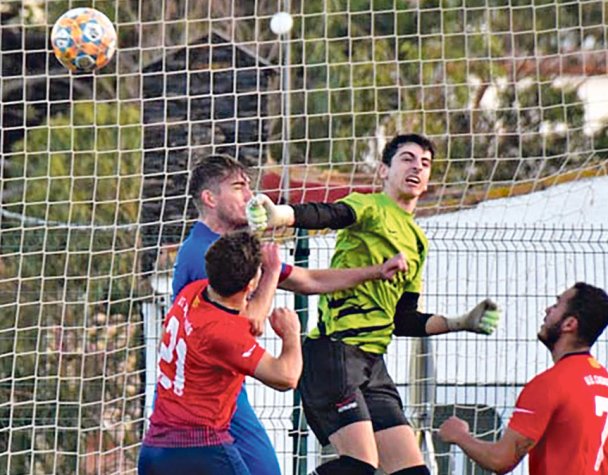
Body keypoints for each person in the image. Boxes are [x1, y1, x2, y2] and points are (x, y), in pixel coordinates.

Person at [247, 133, 501, 475]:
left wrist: (460, 322)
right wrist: (281, 215)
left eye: (425, 164)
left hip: (373, 365)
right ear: (384, 170)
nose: (417, 167)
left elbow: (404, 319)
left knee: (412, 472)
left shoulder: (417, 242)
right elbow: (329, 214)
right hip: (335, 354)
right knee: (359, 467)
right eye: (407, 159)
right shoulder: (370, 207)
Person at [171, 154, 408, 475]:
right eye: (238, 187)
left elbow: (309, 280)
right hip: (200, 403)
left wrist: (376, 271)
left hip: (223, 393)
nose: (250, 196)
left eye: (249, 187)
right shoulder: (203, 255)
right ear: (210, 198)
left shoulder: (230, 251)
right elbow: (245, 325)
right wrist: (271, 283)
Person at [139, 231, 301, 474]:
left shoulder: (192, 292)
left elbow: (247, 316)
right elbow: (286, 376)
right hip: (200, 450)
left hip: (154, 450)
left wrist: (271, 272)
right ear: (250, 284)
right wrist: (291, 334)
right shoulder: (225, 334)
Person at [438, 282, 608, 475]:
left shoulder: (550, 384)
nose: (548, 309)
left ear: (569, 324)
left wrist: (459, 435)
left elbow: (500, 460)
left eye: (557, 305)